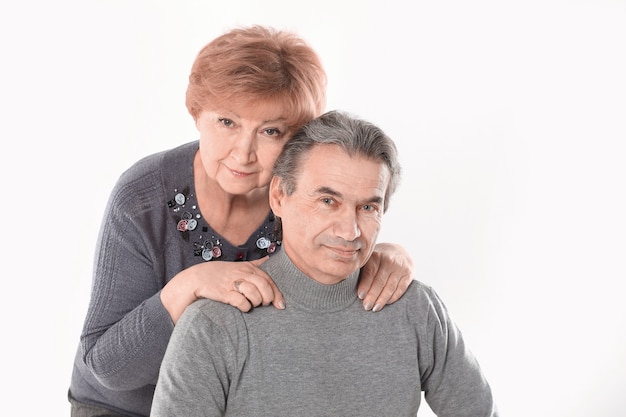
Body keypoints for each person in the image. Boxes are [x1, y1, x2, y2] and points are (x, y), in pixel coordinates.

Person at [68, 26, 416, 417]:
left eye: (270, 131)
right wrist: (189, 286)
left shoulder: (304, 197)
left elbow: (336, 273)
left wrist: (384, 255)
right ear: (197, 113)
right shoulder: (142, 198)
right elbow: (106, 366)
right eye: (227, 123)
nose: (244, 153)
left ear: (299, 140)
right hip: (125, 408)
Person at [150, 110, 499, 417]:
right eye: (328, 201)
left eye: (368, 207)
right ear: (279, 196)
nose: (350, 231)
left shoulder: (415, 309)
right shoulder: (213, 327)